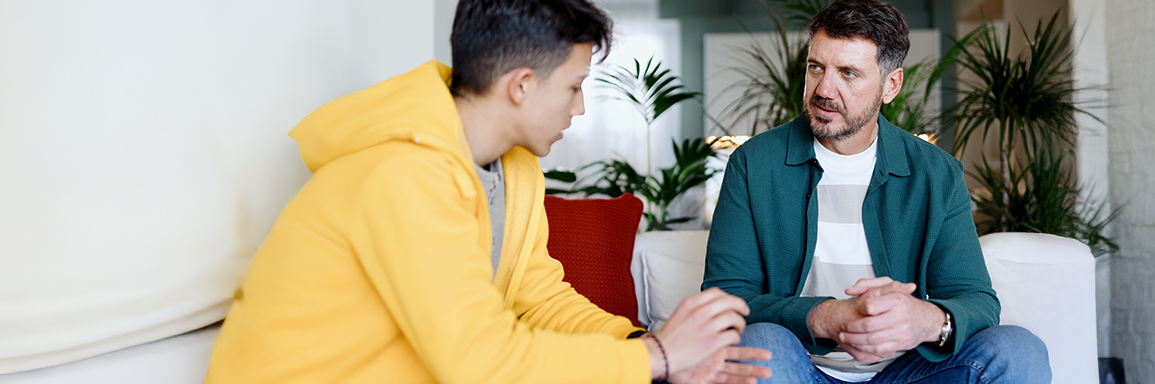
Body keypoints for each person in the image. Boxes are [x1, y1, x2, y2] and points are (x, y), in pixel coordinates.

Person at [206, 0, 770, 383]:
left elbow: (541, 298)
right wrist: (658, 357)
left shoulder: (514, 170)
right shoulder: (401, 176)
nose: (579, 108)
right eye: (574, 87)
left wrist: (648, 346)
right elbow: (481, 361)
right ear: (521, 86)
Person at [700, 1, 1052, 383]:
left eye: (848, 73)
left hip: (908, 372)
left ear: (891, 85)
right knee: (761, 344)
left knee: (1019, 349)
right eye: (816, 67)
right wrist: (824, 316)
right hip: (799, 367)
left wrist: (925, 320)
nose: (824, 89)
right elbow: (727, 299)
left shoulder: (937, 173)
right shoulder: (753, 164)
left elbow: (977, 301)